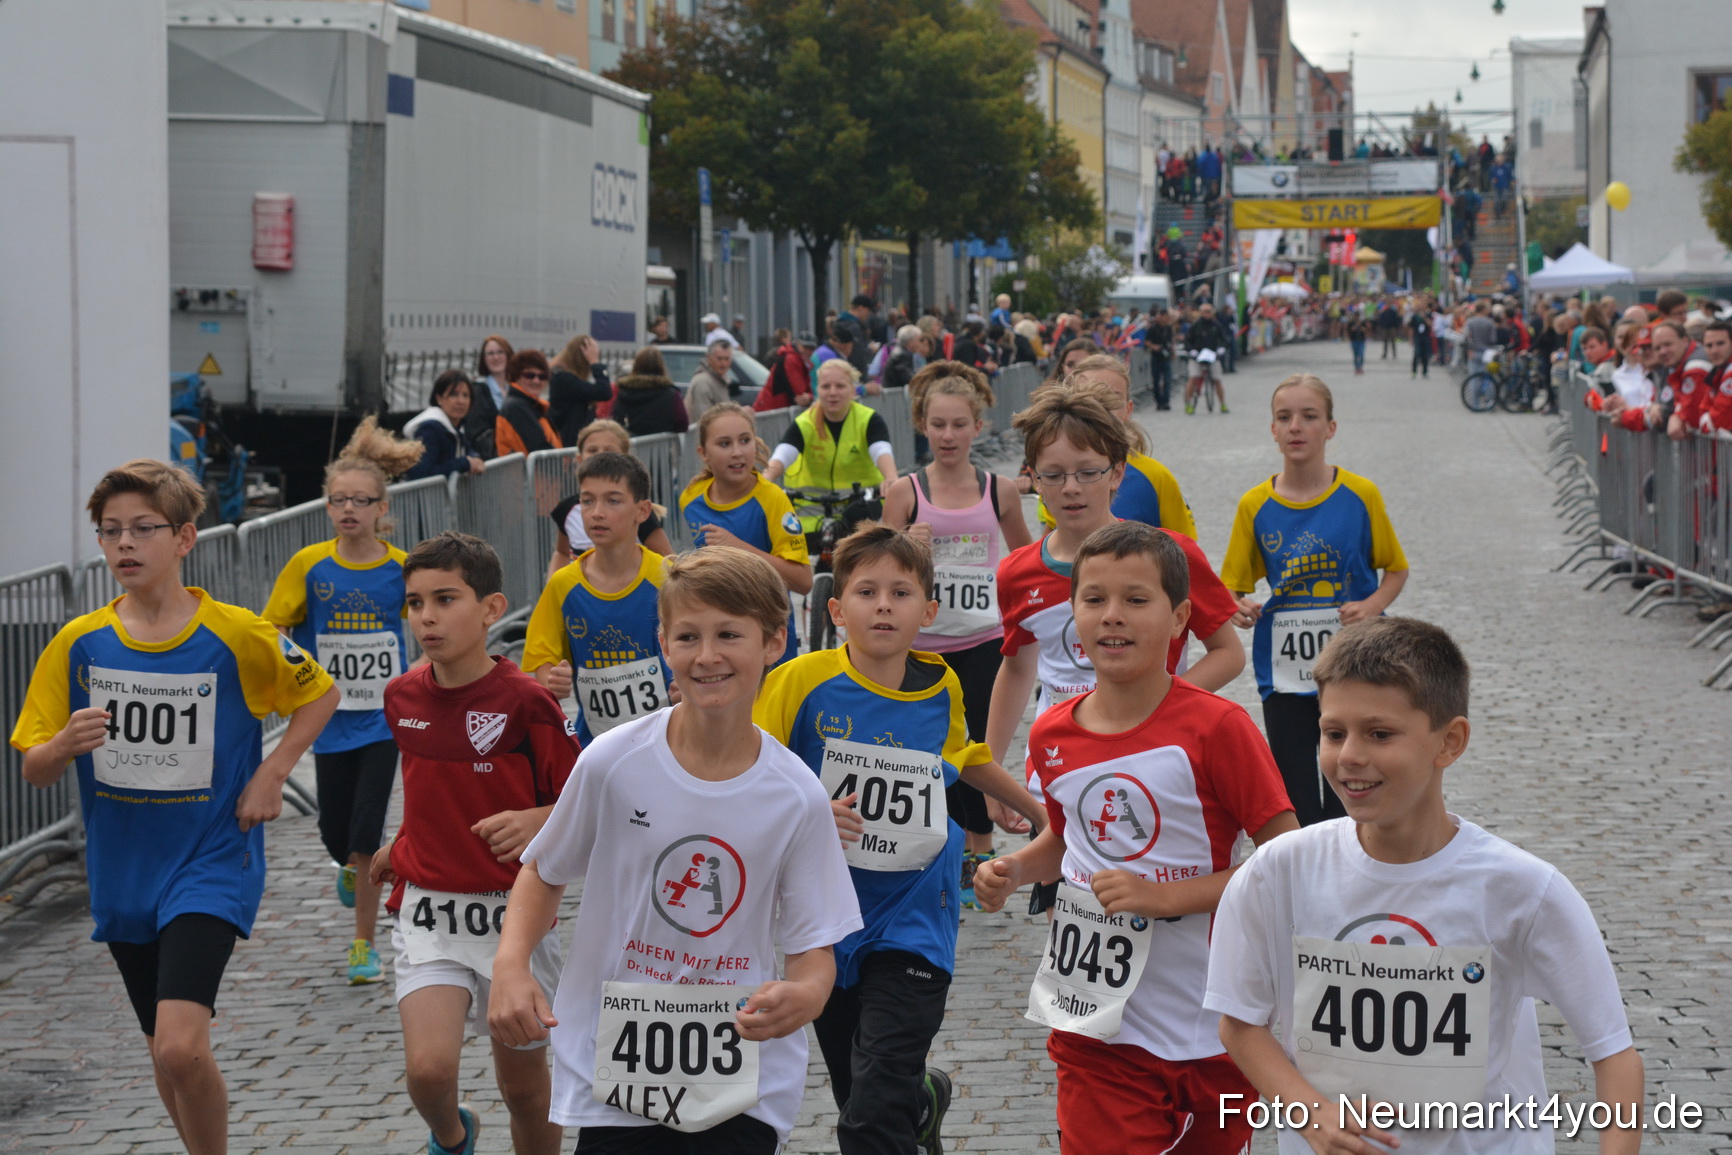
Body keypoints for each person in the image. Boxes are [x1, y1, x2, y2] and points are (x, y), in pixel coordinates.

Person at [1207, 617, 1644, 1155]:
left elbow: (1613, 1053)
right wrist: (1310, 1110)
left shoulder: (1523, 890)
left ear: (1450, 741)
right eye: (1333, 732)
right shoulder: (1277, 871)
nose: (1349, 757)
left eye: (1380, 734)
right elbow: (1240, 1023)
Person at [487, 547, 864, 1154]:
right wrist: (510, 964)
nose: (707, 655)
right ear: (664, 644)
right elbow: (543, 868)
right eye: (688, 636)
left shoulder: (796, 794)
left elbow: (814, 942)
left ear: (773, 643)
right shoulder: (612, 762)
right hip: (617, 1066)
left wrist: (808, 992)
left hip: (740, 1068)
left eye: (728, 635)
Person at [12, 459, 339, 1155]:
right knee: (165, 1050)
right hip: (124, 872)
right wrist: (65, 742)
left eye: (142, 529)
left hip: (211, 860)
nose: (124, 544)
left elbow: (320, 694)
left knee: (184, 1047)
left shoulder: (236, 633)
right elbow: (34, 767)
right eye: (110, 531)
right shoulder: (78, 642)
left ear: (185, 539)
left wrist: (273, 772)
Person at [971, 521, 1297, 1155]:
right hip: (1096, 1026)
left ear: (1179, 619)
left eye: (1135, 600)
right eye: (1093, 600)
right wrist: (1015, 869)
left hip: (1214, 1024)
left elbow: (1286, 863)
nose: (1112, 617)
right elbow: (1069, 843)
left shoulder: (1217, 728)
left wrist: (1163, 898)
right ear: (1073, 615)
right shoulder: (1052, 735)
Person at [755, 527, 1049, 1155]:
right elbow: (754, 775)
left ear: (929, 610)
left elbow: (962, 753)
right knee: (861, 1094)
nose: (883, 604)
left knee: (868, 1121)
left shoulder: (941, 684)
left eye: (900, 592)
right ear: (837, 610)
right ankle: (922, 1103)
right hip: (827, 920)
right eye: (866, 591)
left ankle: (902, 1108)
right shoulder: (797, 682)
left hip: (918, 914)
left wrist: (1036, 809)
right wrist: (810, 812)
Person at [371, 531, 579, 1155]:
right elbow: (430, 783)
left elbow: (584, 804)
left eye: (445, 599)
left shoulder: (527, 703)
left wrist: (539, 817)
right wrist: (403, 839)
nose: (427, 617)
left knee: (523, 1090)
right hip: (429, 905)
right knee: (428, 1071)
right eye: (414, 603)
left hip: (513, 916)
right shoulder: (401, 695)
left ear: (491, 609)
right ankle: (451, 1135)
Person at [985, 384, 1244, 852]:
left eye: (1088, 472)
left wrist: (1164, 709)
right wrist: (992, 771)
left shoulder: (1171, 555)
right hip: (1061, 762)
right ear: (1033, 480)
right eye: (1054, 474)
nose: (1070, 488)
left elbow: (1227, 652)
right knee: (1066, 902)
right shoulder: (1017, 572)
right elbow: (1018, 667)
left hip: (1157, 759)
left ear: (1117, 474)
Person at [263, 418, 422, 983]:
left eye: (361, 500)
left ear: (383, 507)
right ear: (327, 507)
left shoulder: (401, 568)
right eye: (339, 500)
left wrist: (428, 669)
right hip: (327, 720)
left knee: (365, 832)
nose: (349, 509)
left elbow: (426, 625)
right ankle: (350, 868)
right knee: (335, 832)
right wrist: (294, 670)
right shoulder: (309, 566)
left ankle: (363, 945)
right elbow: (272, 627)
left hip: (383, 721)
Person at [1223, 375, 1409, 828]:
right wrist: (1239, 606)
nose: (1296, 427)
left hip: (1356, 661)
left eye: (1309, 416)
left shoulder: (1360, 495)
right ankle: (1310, 888)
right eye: (1284, 418)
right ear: (1272, 429)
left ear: (1330, 427)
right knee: (1296, 795)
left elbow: (1396, 569)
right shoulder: (1254, 505)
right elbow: (1232, 587)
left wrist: (1372, 605)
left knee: (1352, 787)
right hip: (1284, 671)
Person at [882, 364, 1034, 905]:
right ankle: (937, 846)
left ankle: (981, 846)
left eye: (959, 425)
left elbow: (1025, 559)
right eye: (938, 425)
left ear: (978, 427)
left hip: (982, 637)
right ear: (923, 425)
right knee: (924, 748)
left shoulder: (1000, 491)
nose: (948, 436)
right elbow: (880, 567)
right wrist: (904, 540)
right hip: (921, 643)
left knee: (975, 746)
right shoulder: (907, 491)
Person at [525, 453, 673, 745]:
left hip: (669, 739)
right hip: (595, 742)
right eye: (587, 501)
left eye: (613, 501)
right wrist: (550, 679)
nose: (596, 513)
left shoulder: (668, 577)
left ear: (642, 511)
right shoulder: (563, 584)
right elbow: (541, 656)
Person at [680, 403, 813, 666]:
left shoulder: (772, 499)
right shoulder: (691, 498)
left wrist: (740, 549)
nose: (738, 452)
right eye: (724, 444)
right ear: (703, 453)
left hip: (767, 636)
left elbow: (803, 581)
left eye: (745, 440)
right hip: (718, 638)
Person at [546, 421, 674, 575]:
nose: (601, 455)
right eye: (592, 450)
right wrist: (552, 583)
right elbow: (561, 552)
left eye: (613, 501)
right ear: (579, 460)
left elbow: (669, 560)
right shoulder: (566, 509)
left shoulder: (635, 513)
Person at [764, 359, 899, 492]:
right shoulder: (805, 422)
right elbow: (782, 455)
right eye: (825, 386)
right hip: (813, 509)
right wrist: (765, 480)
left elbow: (882, 451)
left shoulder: (869, 420)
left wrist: (891, 478)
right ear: (817, 390)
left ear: (853, 390)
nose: (832, 393)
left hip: (861, 507)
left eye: (840, 386)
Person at [403, 370, 485, 480]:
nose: (461, 401)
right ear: (439, 398)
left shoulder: (458, 426)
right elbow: (420, 472)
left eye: (466, 395)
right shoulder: (429, 429)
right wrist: (463, 464)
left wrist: (475, 458)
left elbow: (467, 449)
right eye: (454, 394)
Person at [547, 334, 613, 447]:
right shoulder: (563, 378)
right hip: (567, 442)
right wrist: (595, 363)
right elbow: (604, 392)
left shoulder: (565, 377)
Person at [609, 346, 689, 438]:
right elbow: (683, 424)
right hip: (661, 446)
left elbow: (616, 419)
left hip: (633, 445)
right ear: (661, 366)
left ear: (636, 365)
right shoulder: (671, 394)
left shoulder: (624, 391)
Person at [496, 350, 562, 457]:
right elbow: (540, 449)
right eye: (529, 375)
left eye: (542, 376)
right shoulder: (516, 407)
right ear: (516, 376)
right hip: (528, 473)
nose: (536, 381)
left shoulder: (534, 406)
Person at [469, 335, 513, 459]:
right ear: (484, 359)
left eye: (500, 352)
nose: (496, 357)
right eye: (490, 354)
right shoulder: (478, 390)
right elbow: (477, 430)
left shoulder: (515, 389)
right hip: (493, 460)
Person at [1182, 303, 1229, 413]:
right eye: (1205, 312)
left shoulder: (1216, 325)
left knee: (1217, 379)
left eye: (1209, 311)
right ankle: (1188, 403)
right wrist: (1191, 350)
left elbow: (1224, 339)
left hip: (1212, 355)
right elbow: (1187, 340)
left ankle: (1223, 404)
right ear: (1201, 313)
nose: (1207, 314)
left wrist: (1221, 348)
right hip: (1197, 356)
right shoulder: (1195, 325)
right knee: (1193, 377)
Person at [757, 329, 815, 412]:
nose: (808, 351)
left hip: (775, 409)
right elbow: (800, 395)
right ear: (798, 344)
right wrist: (811, 397)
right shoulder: (792, 359)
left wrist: (810, 397)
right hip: (771, 409)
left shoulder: (802, 361)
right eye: (805, 347)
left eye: (811, 348)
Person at [685, 339, 735, 423]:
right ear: (708, 358)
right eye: (719, 359)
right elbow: (703, 418)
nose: (723, 363)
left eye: (727, 359)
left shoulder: (720, 379)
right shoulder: (702, 382)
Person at [1142, 307, 1175, 411]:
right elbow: (1146, 341)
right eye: (1164, 317)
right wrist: (1154, 346)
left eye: (1167, 318)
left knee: (1167, 380)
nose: (1165, 320)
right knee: (1156, 381)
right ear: (1160, 317)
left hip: (1166, 357)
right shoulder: (1153, 328)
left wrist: (1173, 352)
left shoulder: (1169, 328)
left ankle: (1166, 401)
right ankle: (1158, 401)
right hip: (1156, 357)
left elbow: (1172, 341)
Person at [1409, 302, 1435, 379]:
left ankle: (1425, 371)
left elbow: (1431, 324)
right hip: (1417, 337)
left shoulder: (1428, 315)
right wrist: (1411, 338)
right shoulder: (1414, 316)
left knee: (1425, 355)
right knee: (1416, 354)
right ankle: (1414, 371)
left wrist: (1424, 318)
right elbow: (1411, 328)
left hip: (1426, 337)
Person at [1344, 311, 1368, 375]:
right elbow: (1349, 330)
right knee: (1355, 355)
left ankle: (1360, 367)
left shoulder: (1362, 323)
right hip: (1354, 340)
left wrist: (1360, 326)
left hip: (1361, 341)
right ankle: (1356, 368)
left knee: (1361, 354)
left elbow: (1366, 330)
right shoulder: (1351, 323)